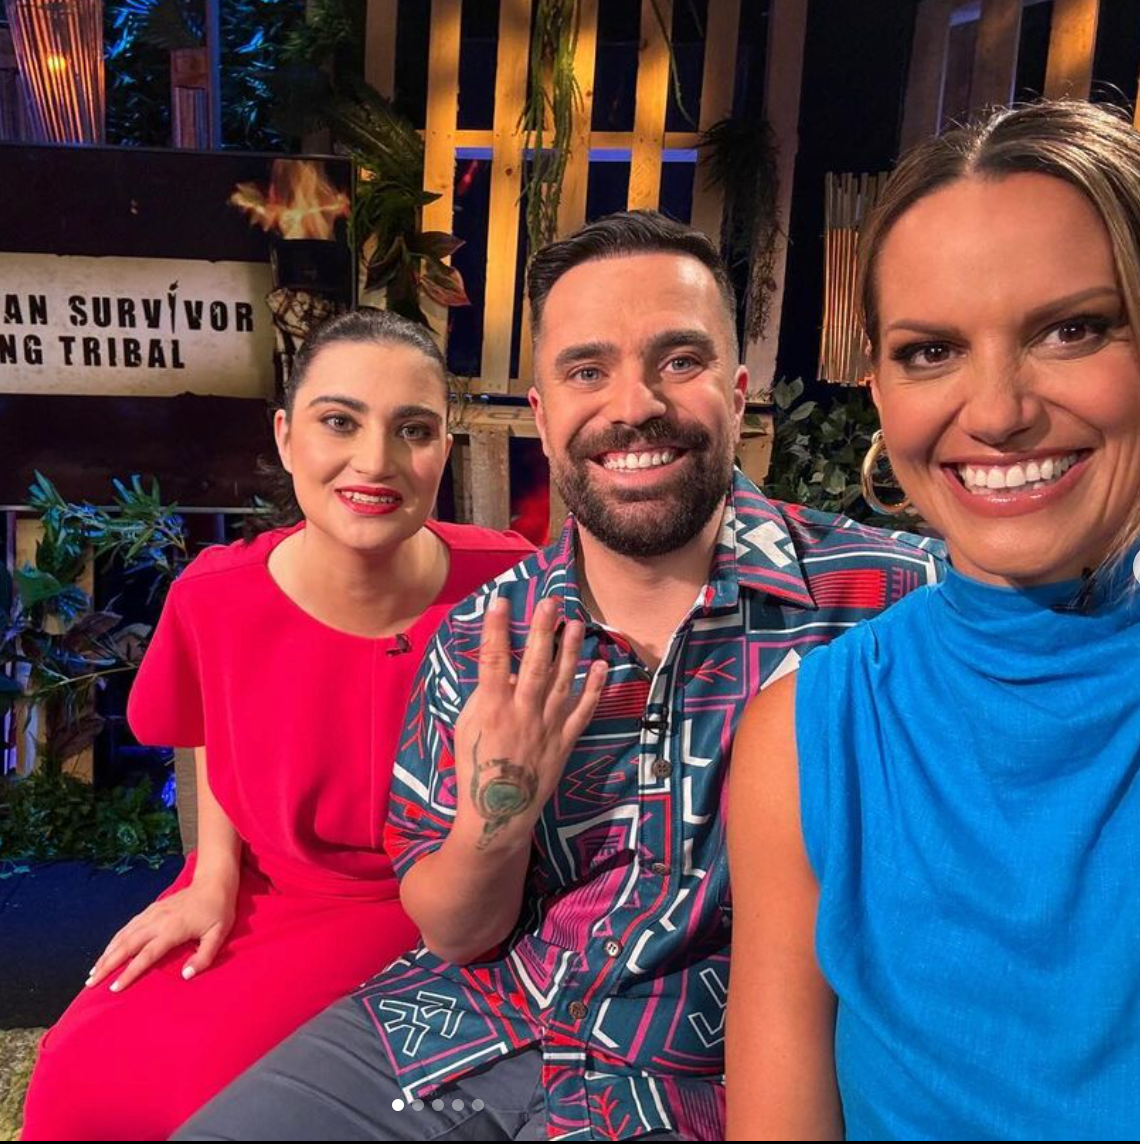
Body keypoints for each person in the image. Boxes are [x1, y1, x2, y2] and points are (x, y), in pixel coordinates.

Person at [176, 210, 943, 1142]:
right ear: (542, 414)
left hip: (706, 1072)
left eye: (679, 361)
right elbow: (453, 932)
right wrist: (501, 809)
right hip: (462, 1032)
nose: (633, 405)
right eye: (587, 371)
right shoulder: (483, 635)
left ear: (739, 394)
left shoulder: (893, 600)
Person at [726, 99, 1140, 1141]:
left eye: (1069, 328)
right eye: (930, 350)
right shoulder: (803, 741)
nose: (995, 409)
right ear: (876, 388)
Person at [19, 309, 535, 1140]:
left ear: (445, 446)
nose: (376, 461)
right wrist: (212, 876)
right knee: (80, 1074)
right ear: (287, 436)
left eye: (414, 429)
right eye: (340, 421)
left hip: (449, 913)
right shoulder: (216, 594)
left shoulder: (511, 581)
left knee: (224, 1103)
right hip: (275, 892)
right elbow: (209, 728)